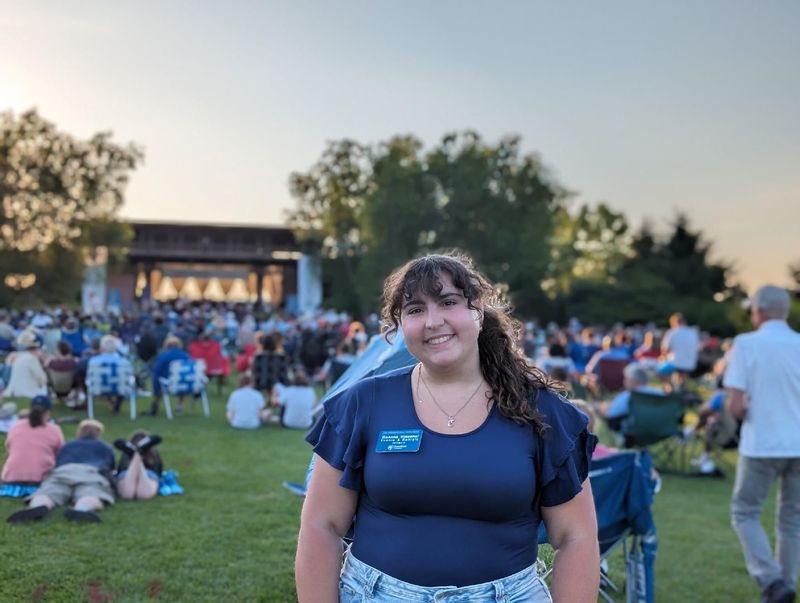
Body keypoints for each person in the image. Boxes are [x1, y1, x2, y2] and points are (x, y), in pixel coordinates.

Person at [296, 253, 599, 603]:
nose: (432, 321)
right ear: (399, 324)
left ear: (478, 311)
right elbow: (321, 525)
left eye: (448, 302)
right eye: (415, 310)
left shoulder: (542, 412)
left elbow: (576, 536)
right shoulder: (362, 404)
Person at [724, 285, 800, 603]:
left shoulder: (746, 344)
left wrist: (744, 410)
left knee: (745, 512)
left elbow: (735, 404)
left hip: (762, 443)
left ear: (759, 311)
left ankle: (772, 581)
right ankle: (785, 583)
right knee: (792, 518)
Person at [6, 419, 115, 523]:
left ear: (79, 433)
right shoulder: (105, 447)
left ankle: (38, 506)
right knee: (91, 493)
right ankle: (82, 509)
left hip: (63, 471)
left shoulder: (68, 445)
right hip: (90, 473)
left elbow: (56, 461)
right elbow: (110, 468)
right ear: (99, 434)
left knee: (49, 492)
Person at [1, 395, 64, 484]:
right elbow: (60, 456)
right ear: (48, 412)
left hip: (10, 478)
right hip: (40, 479)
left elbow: (9, 451)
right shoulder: (54, 430)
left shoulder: (15, 426)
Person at [595, 363, 663, 434]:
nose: (624, 381)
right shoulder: (659, 394)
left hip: (634, 433)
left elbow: (611, 414)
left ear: (633, 381)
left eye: (626, 378)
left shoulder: (628, 396)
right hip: (658, 431)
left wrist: (599, 409)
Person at [148, 336, 191, 416]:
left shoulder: (164, 357)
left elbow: (157, 373)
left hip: (169, 385)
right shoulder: (187, 356)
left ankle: (155, 404)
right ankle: (180, 405)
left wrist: (155, 389)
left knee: (160, 381)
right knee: (181, 379)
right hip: (187, 386)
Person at [114, 431, 163, 500]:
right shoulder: (154, 453)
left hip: (127, 474)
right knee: (143, 495)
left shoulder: (125, 453)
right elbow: (159, 471)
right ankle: (139, 453)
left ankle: (136, 455)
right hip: (149, 475)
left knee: (127, 495)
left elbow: (120, 469)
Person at [3, 329, 48, 400]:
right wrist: (45, 365)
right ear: (37, 349)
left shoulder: (20, 357)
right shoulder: (31, 359)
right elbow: (42, 380)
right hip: (27, 393)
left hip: (15, 391)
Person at [657, 313, 700, 386]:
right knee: (681, 378)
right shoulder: (693, 333)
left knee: (659, 370)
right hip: (690, 364)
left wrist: (662, 358)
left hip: (675, 363)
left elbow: (665, 349)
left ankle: (669, 386)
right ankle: (680, 389)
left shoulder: (672, 332)